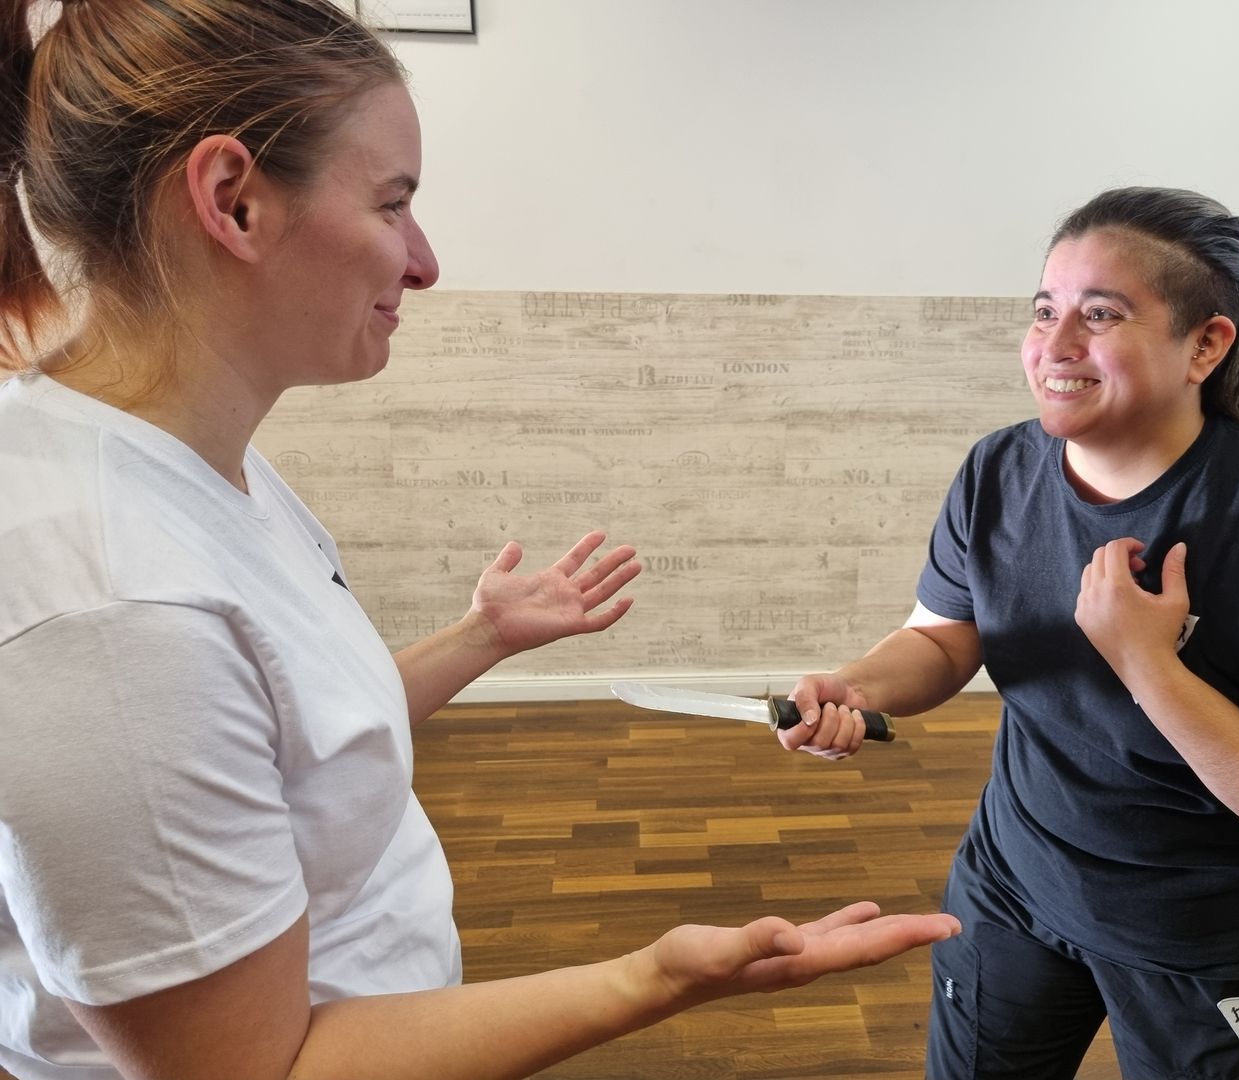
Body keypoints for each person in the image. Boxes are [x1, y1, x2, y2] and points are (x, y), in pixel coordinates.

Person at [0, 3, 961, 1078]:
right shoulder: (105, 607)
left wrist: (477, 639)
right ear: (234, 201)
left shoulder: (186, 471)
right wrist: (658, 980)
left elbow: (287, 745)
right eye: (393, 204)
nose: (425, 262)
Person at [777, 187, 1239, 1079]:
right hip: (1018, 883)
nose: (1054, 345)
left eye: (1101, 314)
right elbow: (941, 638)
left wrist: (1148, 666)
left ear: (1206, 343)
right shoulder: (999, 470)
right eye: (1045, 310)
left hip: (1223, 946)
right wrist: (860, 687)